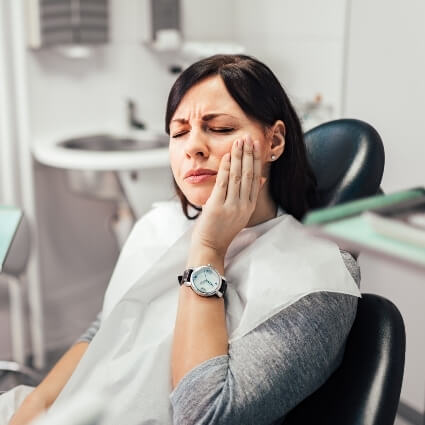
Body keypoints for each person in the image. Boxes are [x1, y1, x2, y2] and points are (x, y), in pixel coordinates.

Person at [6, 54, 360, 425]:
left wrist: (209, 249)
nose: (193, 146)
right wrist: (27, 417)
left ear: (274, 141)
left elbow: (204, 416)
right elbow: (104, 333)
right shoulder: (160, 226)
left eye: (220, 128)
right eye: (179, 132)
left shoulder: (318, 280)